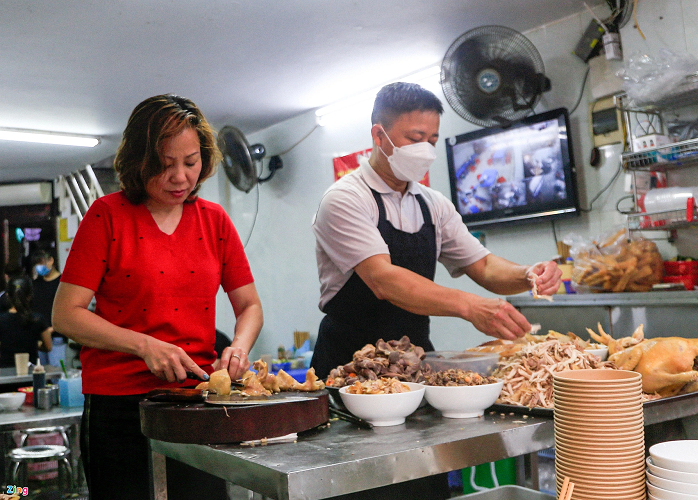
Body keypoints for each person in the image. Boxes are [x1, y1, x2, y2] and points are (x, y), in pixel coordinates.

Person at [311, 83, 560, 499]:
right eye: (413, 139)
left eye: (432, 139)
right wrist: (469, 306)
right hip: (350, 372)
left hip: (413, 369)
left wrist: (526, 275)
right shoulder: (345, 198)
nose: (425, 149)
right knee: (361, 488)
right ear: (379, 136)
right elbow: (383, 280)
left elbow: (481, 265)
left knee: (419, 481)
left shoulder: (432, 203)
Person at [52, 94, 263, 500]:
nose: (180, 177)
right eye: (165, 165)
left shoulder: (214, 221)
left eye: (190, 162)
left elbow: (250, 306)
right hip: (119, 407)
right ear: (138, 161)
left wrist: (238, 347)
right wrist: (144, 345)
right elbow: (66, 315)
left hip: (194, 401)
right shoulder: (106, 216)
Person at [0, 275, 53, 368]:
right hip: (30, 371)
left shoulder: (2, 319)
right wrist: (36, 344)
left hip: (5, 372)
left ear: (7, 295)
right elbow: (48, 346)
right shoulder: (37, 319)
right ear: (30, 296)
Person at [30, 248, 67, 367]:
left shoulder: (63, 283)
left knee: (56, 374)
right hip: (39, 338)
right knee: (41, 375)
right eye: (37, 264)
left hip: (57, 338)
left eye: (41, 263)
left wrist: (51, 329)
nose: (39, 267)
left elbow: (67, 311)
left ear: (51, 260)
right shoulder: (35, 284)